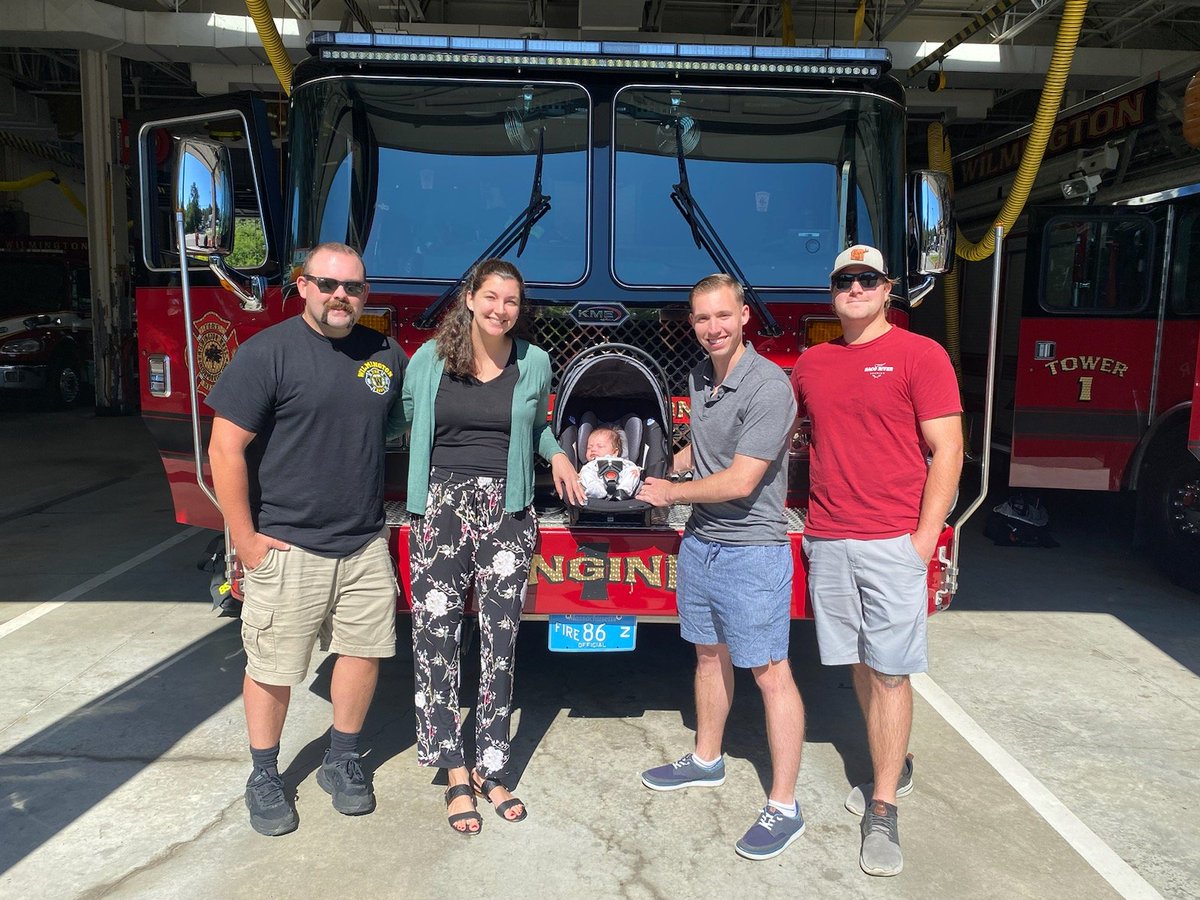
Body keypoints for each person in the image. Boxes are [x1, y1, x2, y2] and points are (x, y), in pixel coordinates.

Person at [207, 242, 407, 837]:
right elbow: (224, 449)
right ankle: (264, 775)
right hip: (288, 544)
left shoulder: (385, 354)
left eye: (353, 287)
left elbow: (410, 420)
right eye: (328, 284)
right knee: (273, 666)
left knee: (363, 653)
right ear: (302, 286)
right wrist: (245, 539)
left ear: (365, 295)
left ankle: (341, 760)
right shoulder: (266, 353)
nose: (340, 296)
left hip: (363, 541)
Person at [791, 244, 963, 877]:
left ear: (889, 289)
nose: (856, 289)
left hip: (893, 542)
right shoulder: (812, 363)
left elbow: (949, 451)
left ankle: (883, 805)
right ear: (832, 293)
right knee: (862, 661)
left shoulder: (922, 355)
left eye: (868, 279)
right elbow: (786, 434)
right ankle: (898, 762)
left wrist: (923, 541)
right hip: (829, 537)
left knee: (891, 672)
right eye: (845, 280)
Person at [402, 257, 585, 835]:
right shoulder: (429, 360)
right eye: (491, 297)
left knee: (499, 644)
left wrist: (558, 455)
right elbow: (408, 416)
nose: (500, 309)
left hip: (507, 512)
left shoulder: (535, 361)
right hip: (440, 507)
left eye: (511, 301)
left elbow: (538, 427)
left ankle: (490, 765)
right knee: (436, 639)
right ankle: (454, 769)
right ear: (470, 298)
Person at [637, 273, 805, 862]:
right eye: (703, 318)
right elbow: (703, 454)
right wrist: (653, 467)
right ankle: (707, 759)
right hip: (702, 543)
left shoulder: (769, 385)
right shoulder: (701, 377)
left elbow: (741, 478)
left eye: (723, 316)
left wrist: (671, 493)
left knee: (770, 673)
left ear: (744, 316)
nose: (714, 328)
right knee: (709, 655)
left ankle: (784, 806)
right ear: (693, 324)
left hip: (751, 550)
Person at [579, 424, 642, 501]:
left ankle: (623, 490)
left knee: (632, 472)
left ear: (615, 452)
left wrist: (635, 469)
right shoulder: (591, 464)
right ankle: (595, 489)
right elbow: (584, 473)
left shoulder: (622, 461)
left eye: (600, 446)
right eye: (589, 447)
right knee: (586, 473)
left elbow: (631, 467)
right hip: (598, 482)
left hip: (620, 481)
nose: (593, 449)